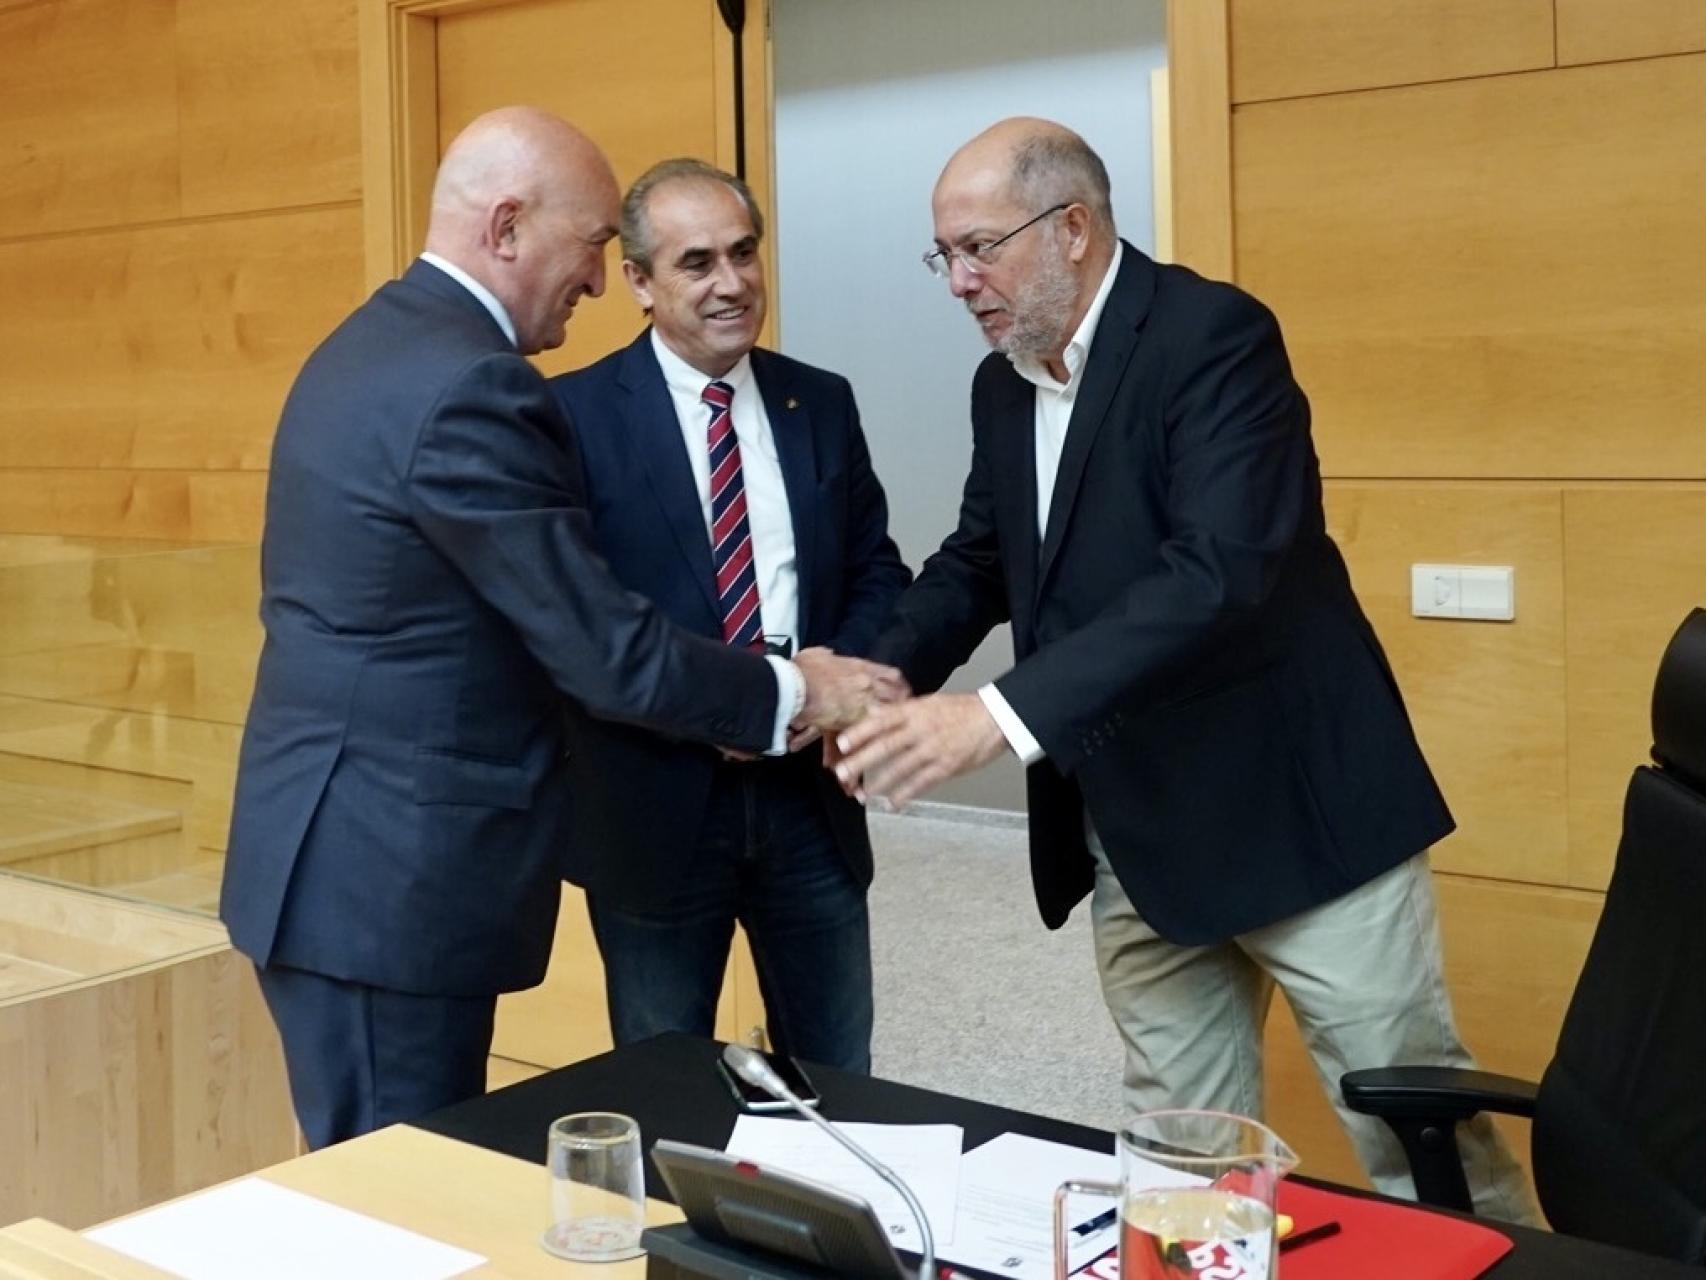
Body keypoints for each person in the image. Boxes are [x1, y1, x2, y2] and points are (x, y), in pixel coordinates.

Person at [833, 118, 1535, 1220]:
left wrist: (998, 716)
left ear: (1071, 227)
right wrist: (868, 672)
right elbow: (981, 556)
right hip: (1138, 824)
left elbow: (1218, 570)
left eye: (978, 248)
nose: (958, 281)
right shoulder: (1003, 384)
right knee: (1177, 1150)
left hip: (1300, 815)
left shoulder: (1212, 336)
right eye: (945, 256)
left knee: (1411, 1131)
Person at [220, 108, 897, 1148]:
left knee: (386, 1175)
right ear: (505, 228)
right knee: (396, 1195)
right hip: (386, 879)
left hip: (348, 857)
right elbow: (602, 645)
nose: (592, 280)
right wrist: (798, 691)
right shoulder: (471, 386)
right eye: (589, 246)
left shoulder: (376, 344)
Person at [548, 160, 910, 1072]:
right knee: (665, 1075)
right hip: (658, 804)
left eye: (744, 253)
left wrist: (831, 693)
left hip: (808, 799)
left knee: (836, 1072)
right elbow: (585, 628)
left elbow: (877, 570)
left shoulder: (818, 401)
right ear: (638, 281)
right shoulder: (573, 417)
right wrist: (738, 702)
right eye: (697, 262)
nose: (732, 283)